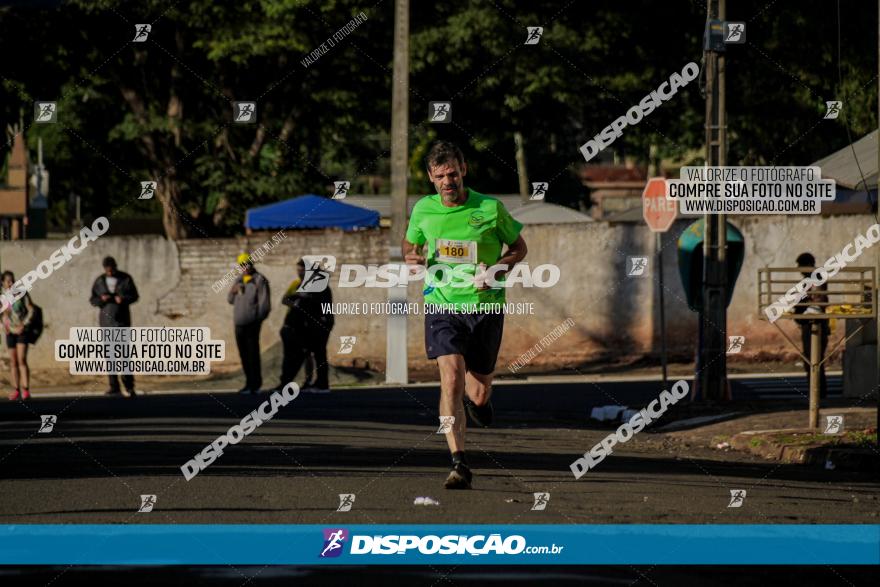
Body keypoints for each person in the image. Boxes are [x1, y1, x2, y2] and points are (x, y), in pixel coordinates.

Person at [403, 140, 528, 489]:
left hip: (485, 306)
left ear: (464, 172)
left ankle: (481, 402)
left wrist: (499, 268)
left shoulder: (490, 207)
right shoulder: (423, 210)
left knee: (478, 392)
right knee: (451, 376)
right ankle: (458, 461)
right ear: (430, 177)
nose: (448, 181)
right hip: (442, 304)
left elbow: (519, 247)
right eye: (441, 176)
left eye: (453, 174)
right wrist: (411, 255)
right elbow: (409, 243)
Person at [277, 258, 334, 394]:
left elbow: (322, 307)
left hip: (320, 324)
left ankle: (322, 384)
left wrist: (322, 321)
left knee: (319, 353)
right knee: (309, 353)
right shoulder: (309, 285)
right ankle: (312, 382)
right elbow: (288, 300)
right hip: (312, 325)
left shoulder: (320, 286)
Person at [90, 257, 139, 397]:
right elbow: (92, 300)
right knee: (110, 356)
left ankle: (129, 386)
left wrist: (123, 299)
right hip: (106, 323)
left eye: (112, 269)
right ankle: (114, 386)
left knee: (124, 355)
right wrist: (101, 300)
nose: (109, 272)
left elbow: (135, 296)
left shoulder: (125, 279)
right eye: (107, 270)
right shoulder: (99, 281)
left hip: (122, 321)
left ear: (115, 267)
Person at [228, 253, 271, 394]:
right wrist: (233, 291)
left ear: (251, 264)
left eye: (246, 265)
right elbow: (230, 300)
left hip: (252, 323)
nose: (244, 268)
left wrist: (257, 320)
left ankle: (255, 385)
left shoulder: (259, 280)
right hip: (239, 323)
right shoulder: (239, 280)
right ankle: (248, 383)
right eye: (241, 266)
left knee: (253, 355)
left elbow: (264, 305)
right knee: (244, 355)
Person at [793, 252, 829, 398]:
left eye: (801, 266)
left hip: (814, 322)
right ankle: (817, 392)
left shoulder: (816, 278)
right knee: (812, 359)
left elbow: (813, 300)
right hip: (811, 322)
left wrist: (799, 310)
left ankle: (817, 392)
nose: (800, 270)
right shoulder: (813, 278)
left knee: (813, 359)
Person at [1, 271, 35, 400]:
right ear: (3, 283)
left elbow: (31, 309)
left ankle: (25, 389)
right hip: (10, 332)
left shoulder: (21, 293)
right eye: (8, 281)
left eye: (12, 280)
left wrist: (24, 324)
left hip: (22, 331)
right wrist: (4, 325)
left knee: (21, 359)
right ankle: (16, 390)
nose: (11, 283)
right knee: (13, 361)